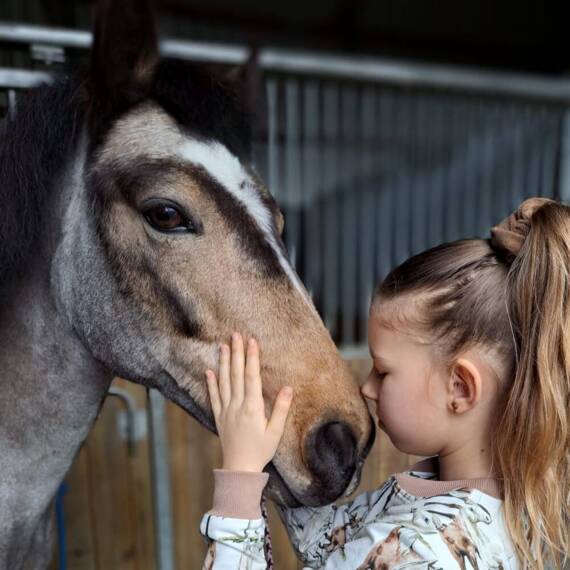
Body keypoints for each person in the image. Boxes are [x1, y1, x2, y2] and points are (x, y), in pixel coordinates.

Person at [200, 198, 569, 569]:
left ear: (459, 388)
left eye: (383, 371)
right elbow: (327, 546)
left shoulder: (420, 553)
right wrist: (275, 439)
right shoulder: (494, 498)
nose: (367, 388)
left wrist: (240, 477)